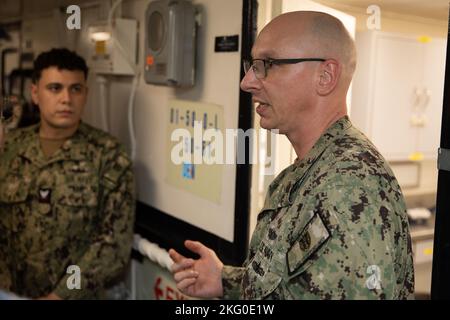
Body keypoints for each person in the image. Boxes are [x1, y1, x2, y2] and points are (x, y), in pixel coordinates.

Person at [169, 11, 414, 299]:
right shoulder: (304, 174)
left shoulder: (349, 185)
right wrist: (227, 281)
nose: (247, 82)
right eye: (253, 65)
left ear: (325, 76)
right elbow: (292, 284)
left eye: (267, 65)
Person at [0, 48, 135, 299]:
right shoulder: (9, 148)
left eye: (76, 89)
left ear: (86, 94)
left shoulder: (108, 155)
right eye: (54, 88)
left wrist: (60, 296)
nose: (66, 99)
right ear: (35, 93)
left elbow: (113, 244)